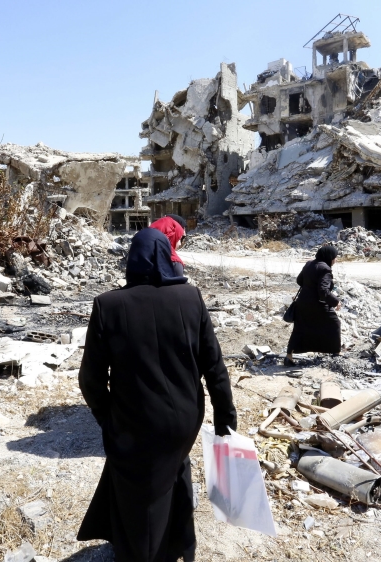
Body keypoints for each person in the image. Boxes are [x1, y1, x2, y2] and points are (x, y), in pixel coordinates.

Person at [77, 227, 237, 562]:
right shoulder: (190, 298)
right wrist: (225, 422)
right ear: (167, 256)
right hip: (184, 421)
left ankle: (147, 553)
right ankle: (182, 546)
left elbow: (90, 379)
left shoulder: (108, 305)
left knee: (144, 498)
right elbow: (215, 368)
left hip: (135, 423)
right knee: (174, 468)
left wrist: (108, 418)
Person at [284, 245, 341, 366]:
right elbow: (323, 291)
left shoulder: (309, 264)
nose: (335, 260)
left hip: (302, 303)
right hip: (318, 305)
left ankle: (288, 357)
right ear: (329, 257)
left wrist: (310, 286)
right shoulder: (325, 269)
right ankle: (336, 353)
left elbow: (299, 281)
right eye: (334, 258)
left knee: (299, 329)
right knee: (334, 323)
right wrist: (336, 301)